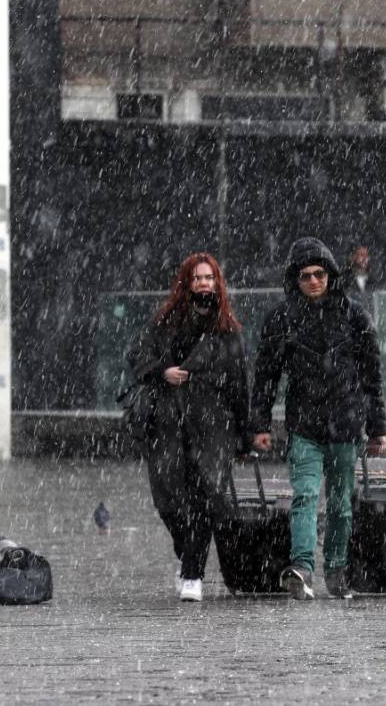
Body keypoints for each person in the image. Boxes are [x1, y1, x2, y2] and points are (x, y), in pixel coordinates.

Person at [251, 237, 386, 600]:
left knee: (342, 503)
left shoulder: (354, 316)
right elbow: (266, 375)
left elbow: (372, 376)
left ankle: (336, 569)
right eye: (305, 275)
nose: (313, 281)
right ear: (294, 280)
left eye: (319, 274)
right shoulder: (281, 320)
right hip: (305, 426)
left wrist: (378, 429)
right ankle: (303, 568)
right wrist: (261, 424)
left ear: (330, 274)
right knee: (306, 495)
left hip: (345, 425)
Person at [126, 252, 250, 602]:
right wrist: (162, 371)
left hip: (213, 426)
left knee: (204, 497)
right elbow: (137, 354)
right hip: (168, 420)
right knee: (167, 498)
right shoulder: (165, 323)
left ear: (217, 283)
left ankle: (193, 573)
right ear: (187, 282)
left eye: (209, 278)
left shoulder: (228, 330)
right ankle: (187, 555)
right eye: (197, 278)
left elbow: (240, 383)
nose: (203, 284)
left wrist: (246, 432)